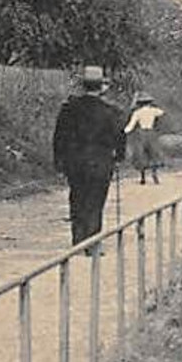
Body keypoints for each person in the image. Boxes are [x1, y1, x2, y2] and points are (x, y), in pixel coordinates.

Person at [52, 66, 126, 244]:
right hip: (101, 162)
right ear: (101, 87)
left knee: (77, 196)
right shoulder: (111, 111)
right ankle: (92, 241)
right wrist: (119, 158)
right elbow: (120, 137)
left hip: (75, 161)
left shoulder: (69, 108)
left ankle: (78, 238)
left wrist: (59, 161)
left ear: (83, 86)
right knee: (96, 200)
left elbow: (59, 136)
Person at [124, 92, 165, 185]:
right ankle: (154, 174)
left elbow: (131, 125)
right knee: (154, 154)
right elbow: (162, 113)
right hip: (151, 133)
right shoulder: (154, 110)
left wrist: (124, 132)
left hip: (141, 133)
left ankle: (143, 177)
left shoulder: (137, 113)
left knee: (141, 154)